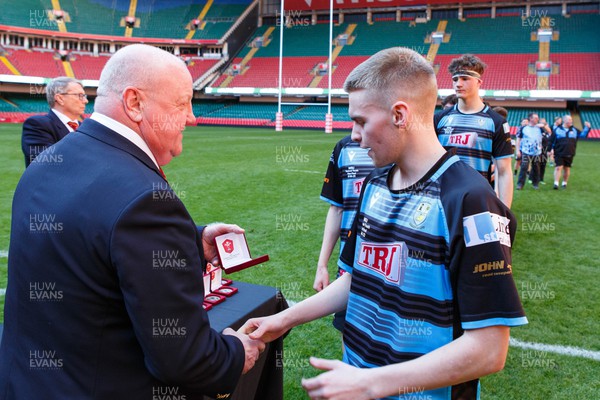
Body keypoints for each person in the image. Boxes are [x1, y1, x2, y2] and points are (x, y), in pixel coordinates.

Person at [241, 47, 527, 400]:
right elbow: (356, 279)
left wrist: (373, 382)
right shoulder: (374, 185)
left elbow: (488, 351)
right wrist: (284, 319)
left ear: (399, 114)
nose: (355, 136)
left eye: (361, 121)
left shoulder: (471, 201)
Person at [0, 44, 264, 399]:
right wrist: (235, 352)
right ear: (135, 103)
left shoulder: (47, 164)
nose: (191, 117)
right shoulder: (145, 201)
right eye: (181, 103)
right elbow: (184, 359)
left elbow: (90, 241)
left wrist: (190, 239)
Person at [434, 54, 514, 208]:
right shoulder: (439, 119)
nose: (458, 84)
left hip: (478, 200)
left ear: (478, 82)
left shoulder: (496, 122)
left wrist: (505, 214)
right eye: (455, 79)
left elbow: (504, 171)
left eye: (464, 78)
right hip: (441, 199)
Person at [314, 135, 374, 333]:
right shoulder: (344, 147)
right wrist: (322, 265)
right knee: (349, 336)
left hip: (387, 270)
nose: (356, 132)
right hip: (349, 266)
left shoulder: (400, 151)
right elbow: (337, 208)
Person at [21, 76, 88, 167]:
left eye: (84, 96)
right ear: (60, 98)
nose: (86, 101)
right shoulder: (37, 124)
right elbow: (47, 161)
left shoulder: (85, 128)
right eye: (80, 96)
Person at [550, 114, 591, 189]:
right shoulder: (557, 129)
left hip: (570, 152)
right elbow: (551, 141)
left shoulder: (574, 130)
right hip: (559, 152)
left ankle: (564, 183)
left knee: (567, 168)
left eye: (571, 120)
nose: (571, 121)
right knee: (558, 167)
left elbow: (582, 135)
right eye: (569, 120)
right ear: (564, 120)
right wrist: (550, 150)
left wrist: (587, 128)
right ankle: (556, 183)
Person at [516, 113, 544, 190]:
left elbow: (550, 132)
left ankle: (535, 184)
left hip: (537, 152)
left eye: (537, 118)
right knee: (524, 167)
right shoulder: (524, 128)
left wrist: (544, 125)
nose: (537, 119)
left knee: (536, 168)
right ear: (530, 119)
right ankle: (520, 184)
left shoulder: (540, 128)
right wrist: (517, 150)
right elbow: (518, 139)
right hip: (526, 151)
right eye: (535, 118)